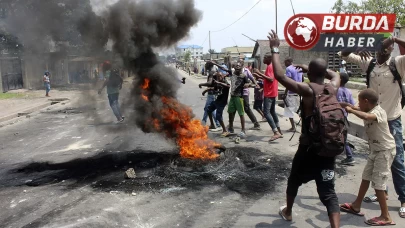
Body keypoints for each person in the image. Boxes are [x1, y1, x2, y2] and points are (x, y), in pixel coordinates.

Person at [267, 30, 341, 227]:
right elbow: (335, 74)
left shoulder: (307, 90)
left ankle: (288, 212)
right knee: (329, 192)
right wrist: (313, 69)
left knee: (294, 180)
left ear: (309, 74)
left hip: (308, 148)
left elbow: (279, 75)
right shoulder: (333, 86)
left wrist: (275, 48)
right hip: (329, 147)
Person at [339, 36, 405, 218]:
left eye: (388, 46)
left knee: (397, 160)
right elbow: (344, 54)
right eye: (381, 46)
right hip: (371, 121)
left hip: (391, 119)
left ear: (392, 49)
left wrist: (394, 38)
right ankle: (382, 193)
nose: (384, 49)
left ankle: (404, 199)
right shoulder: (368, 62)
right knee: (377, 158)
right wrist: (359, 44)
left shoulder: (398, 63)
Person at [339, 89, 396, 226]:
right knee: (366, 177)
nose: (358, 104)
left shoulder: (378, 112)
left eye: (360, 101)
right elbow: (354, 106)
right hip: (376, 150)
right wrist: (339, 104)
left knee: (378, 183)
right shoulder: (368, 107)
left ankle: (385, 216)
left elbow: (366, 117)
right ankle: (356, 205)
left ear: (366, 102)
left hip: (384, 151)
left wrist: (351, 111)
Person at [211, 59, 252, 138]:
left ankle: (243, 130)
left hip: (239, 97)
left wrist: (248, 84)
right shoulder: (232, 74)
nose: (237, 67)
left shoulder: (243, 76)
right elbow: (224, 69)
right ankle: (231, 128)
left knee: (241, 114)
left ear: (241, 67)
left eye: (239, 66)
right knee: (230, 112)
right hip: (232, 97)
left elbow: (249, 82)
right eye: (236, 66)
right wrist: (216, 64)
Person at [253, 53, 283, 141]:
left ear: (269, 59)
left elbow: (271, 79)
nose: (263, 59)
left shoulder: (270, 66)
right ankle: (279, 131)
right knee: (272, 111)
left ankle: (275, 132)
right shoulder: (271, 66)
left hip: (269, 93)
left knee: (266, 113)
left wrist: (259, 73)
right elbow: (268, 79)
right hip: (272, 91)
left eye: (265, 58)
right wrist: (259, 76)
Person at [336, 72, 356, 165]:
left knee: (339, 137)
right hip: (344, 116)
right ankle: (348, 156)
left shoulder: (336, 90)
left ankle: (349, 156)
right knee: (342, 136)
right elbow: (352, 104)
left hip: (336, 117)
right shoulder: (348, 91)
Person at [205, 72, 230, 136]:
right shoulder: (217, 83)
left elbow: (228, 86)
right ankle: (212, 125)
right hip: (217, 101)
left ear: (222, 76)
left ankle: (225, 130)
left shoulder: (225, 82)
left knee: (218, 116)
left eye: (220, 76)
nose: (219, 78)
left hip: (222, 102)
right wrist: (207, 90)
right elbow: (214, 88)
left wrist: (219, 82)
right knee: (208, 109)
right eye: (218, 77)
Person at [283, 57, 303, 132]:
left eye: (285, 62)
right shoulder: (298, 68)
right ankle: (304, 127)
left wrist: (285, 93)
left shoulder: (288, 69)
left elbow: (288, 82)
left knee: (288, 110)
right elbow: (303, 79)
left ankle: (293, 127)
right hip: (299, 92)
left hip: (291, 93)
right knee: (299, 111)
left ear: (288, 61)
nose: (284, 64)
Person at [199, 61, 221, 130]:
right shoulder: (215, 71)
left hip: (212, 94)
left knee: (208, 108)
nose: (205, 67)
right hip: (213, 93)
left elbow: (210, 83)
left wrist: (201, 84)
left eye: (206, 65)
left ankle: (215, 124)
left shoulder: (212, 72)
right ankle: (215, 124)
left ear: (208, 66)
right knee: (210, 109)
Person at [241, 59, 261, 130]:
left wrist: (256, 84)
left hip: (244, 92)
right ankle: (230, 126)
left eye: (241, 63)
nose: (239, 64)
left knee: (246, 108)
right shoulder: (235, 71)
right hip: (237, 93)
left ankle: (256, 123)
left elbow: (252, 78)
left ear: (242, 64)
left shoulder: (246, 71)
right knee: (233, 108)